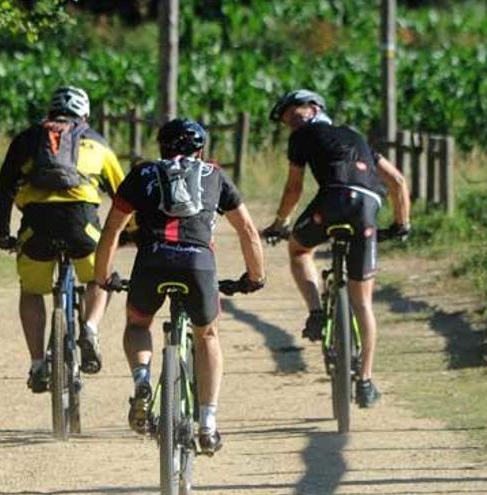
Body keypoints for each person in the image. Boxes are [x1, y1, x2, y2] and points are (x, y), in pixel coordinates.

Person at [94, 118, 265, 455]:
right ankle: (208, 424)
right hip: (198, 264)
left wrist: (103, 275)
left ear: (162, 147)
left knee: (138, 323)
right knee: (208, 336)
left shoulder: (142, 174)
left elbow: (112, 229)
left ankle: (143, 382)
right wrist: (254, 276)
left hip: (152, 260)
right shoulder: (214, 173)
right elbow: (247, 229)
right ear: (201, 150)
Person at [261, 89, 411, 408]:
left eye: (294, 113)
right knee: (363, 303)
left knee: (299, 250)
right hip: (368, 209)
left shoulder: (302, 137)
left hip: (329, 202)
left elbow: (294, 187)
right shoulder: (358, 138)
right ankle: (366, 381)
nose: (291, 122)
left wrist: (279, 223)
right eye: (288, 120)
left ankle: (316, 312)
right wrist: (401, 225)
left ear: (315, 109)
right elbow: (397, 181)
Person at [0, 86, 125, 392]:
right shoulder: (96, 142)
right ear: (85, 114)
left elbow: (4, 188)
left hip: (37, 225)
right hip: (81, 223)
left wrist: (2, 234)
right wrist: (129, 233)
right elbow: (123, 194)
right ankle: (90, 328)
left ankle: (38, 363)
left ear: (50, 111)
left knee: (31, 290)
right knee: (100, 279)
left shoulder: (27, 139)